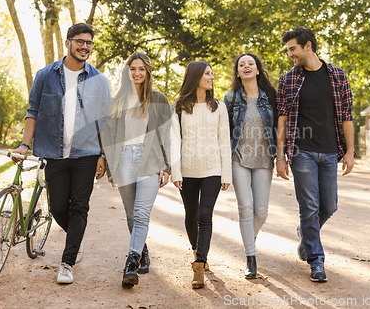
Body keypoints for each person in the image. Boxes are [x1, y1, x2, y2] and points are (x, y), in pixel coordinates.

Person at [13, 23, 111, 284]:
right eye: (80, 41)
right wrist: (24, 144)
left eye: (89, 43)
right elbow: (32, 111)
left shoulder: (99, 80)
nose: (85, 47)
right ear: (67, 43)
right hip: (53, 154)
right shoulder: (45, 75)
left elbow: (104, 121)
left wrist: (104, 154)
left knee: (80, 206)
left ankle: (66, 263)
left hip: (86, 154)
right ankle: (75, 242)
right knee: (58, 208)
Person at [276, 27, 354, 283]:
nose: (290, 54)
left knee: (329, 205)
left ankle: (306, 234)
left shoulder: (338, 76)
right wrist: (280, 156)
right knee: (309, 206)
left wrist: (351, 151)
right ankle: (316, 261)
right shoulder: (288, 80)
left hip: (331, 151)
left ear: (307, 46)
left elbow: (346, 117)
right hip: (302, 152)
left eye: (292, 49)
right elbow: (283, 120)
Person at [104, 52, 171, 288]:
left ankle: (130, 264)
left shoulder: (159, 99)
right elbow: (109, 136)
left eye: (141, 69)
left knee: (142, 213)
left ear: (148, 72)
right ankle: (142, 252)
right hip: (123, 158)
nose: (137, 73)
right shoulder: (117, 101)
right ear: (127, 71)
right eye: (133, 68)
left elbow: (167, 134)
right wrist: (111, 166)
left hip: (150, 157)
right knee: (131, 213)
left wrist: (167, 164)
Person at [170, 61, 232, 289]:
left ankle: (199, 264)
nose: (212, 77)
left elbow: (224, 141)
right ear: (195, 77)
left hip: (213, 170)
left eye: (212, 73)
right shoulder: (178, 107)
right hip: (187, 171)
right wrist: (175, 171)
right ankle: (198, 250)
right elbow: (173, 141)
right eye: (207, 73)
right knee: (191, 216)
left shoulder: (219, 107)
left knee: (205, 215)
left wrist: (226, 173)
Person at [223, 53, 277, 279]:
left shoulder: (271, 97)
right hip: (239, 159)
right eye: (241, 65)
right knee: (245, 210)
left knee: (261, 213)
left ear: (257, 70)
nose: (246, 67)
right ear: (238, 72)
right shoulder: (230, 99)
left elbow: (280, 127)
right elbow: (224, 133)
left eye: (250, 64)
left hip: (264, 160)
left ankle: (249, 238)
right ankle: (250, 258)